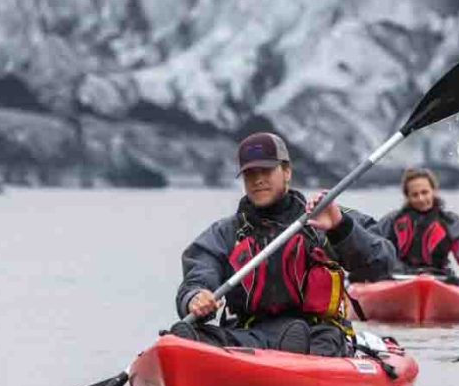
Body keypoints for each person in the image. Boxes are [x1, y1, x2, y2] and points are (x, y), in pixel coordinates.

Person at [169, 132, 398, 356]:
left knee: (312, 340)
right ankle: (201, 352)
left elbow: (382, 262)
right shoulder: (226, 233)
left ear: (287, 172)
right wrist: (195, 298)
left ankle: (292, 355)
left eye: (266, 171)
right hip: (249, 335)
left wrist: (340, 227)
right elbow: (199, 274)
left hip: (317, 333)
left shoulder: (325, 216)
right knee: (194, 335)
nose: (258, 180)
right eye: (250, 174)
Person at [369, 168, 459, 287]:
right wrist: (361, 269)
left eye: (425, 192)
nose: (421, 199)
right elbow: (371, 246)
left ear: (434, 191)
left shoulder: (449, 222)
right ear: (407, 197)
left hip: (439, 278)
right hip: (398, 278)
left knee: (458, 283)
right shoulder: (392, 221)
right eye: (415, 195)